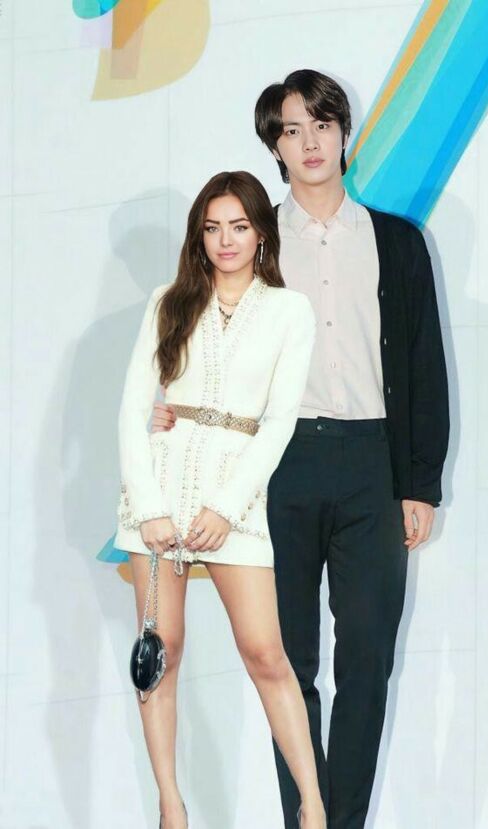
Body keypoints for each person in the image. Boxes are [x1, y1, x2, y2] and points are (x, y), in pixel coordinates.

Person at [152, 70, 450, 829]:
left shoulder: (396, 243)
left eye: (322, 124)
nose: (310, 141)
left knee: (368, 658)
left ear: (344, 133)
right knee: (286, 662)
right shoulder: (255, 245)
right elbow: (204, 347)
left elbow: (424, 365)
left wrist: (420, 483)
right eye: (292, 129)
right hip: (275, 469)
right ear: (275, 147)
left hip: (371, 465)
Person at [116, 170, 326, 829]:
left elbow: (280, 421)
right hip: (159, 493)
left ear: (261, 232)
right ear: (198, 236)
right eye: (212, 228)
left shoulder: (289, 311)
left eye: (239, 226)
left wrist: (227, 506)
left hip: (233, 499)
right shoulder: (168, 300)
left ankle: (314, 807)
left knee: (266, 653)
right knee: (162, 652)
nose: (225, 240)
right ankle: (171, 806)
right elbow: (132, 408)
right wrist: (149, 506)